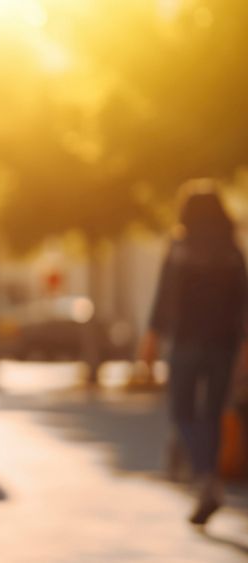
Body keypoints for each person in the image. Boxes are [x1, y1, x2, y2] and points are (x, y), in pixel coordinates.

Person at [140, 179, 248, 526]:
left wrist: (152, 339)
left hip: (186, 341)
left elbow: (163, 294)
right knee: (212, 414)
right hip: (224, 345)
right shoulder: (232, 250)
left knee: (181, 411)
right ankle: (206, 476)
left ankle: (203, 476)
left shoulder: (180, 245)